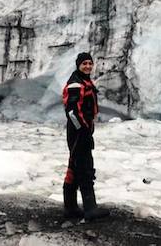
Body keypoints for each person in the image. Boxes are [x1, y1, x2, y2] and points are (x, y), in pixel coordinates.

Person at [63, 52, 108, 221]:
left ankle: (70, 208)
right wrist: (82, 132)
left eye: (90, 63)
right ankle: (90, 209)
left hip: (82, 130)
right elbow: (73, 112)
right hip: (78, 132)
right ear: (78, 65)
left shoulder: (84, 81)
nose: (88, 66)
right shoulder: (75, 84)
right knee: (85, 167)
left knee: (74, 166)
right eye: (84, 64)